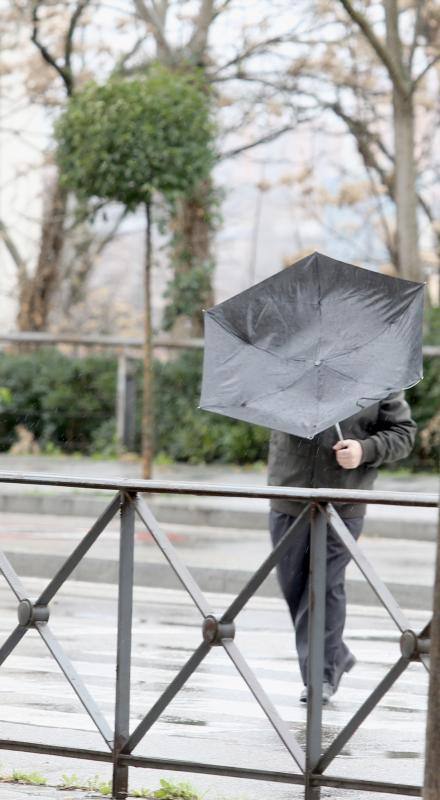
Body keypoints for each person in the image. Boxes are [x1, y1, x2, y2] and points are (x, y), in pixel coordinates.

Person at [267, 391, 416, 704]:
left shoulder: (378, 376)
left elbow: (404, 434)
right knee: (293, 586)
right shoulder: (289, 369)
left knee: (323, 585)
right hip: (288, 495)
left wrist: (364, 449)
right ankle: (337, 654)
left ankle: (320, 676)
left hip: (344, 503)